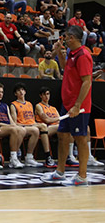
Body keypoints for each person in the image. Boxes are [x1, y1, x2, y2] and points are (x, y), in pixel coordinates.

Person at [42, 25, 93, 186]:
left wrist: (77, 105)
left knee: (80, 138)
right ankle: (60, 172)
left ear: (73, 38)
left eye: (66, 37)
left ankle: (82, 177)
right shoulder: (72, 53)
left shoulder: (83, 55)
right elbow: (66, 69)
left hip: (79, 106)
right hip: (67, 104)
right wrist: (58, 52)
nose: (64, 39)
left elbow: (87, 82)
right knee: (62, 136)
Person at [10, 82, 56, 168]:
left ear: (25, 92)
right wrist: (31, 125)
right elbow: (14, 122)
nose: (21, 92)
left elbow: (32, 120)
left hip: (31, 125)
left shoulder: (29, 104)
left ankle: (30, 157)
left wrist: (36, 124)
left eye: (23, 90)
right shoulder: (13, 105)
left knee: (42, 126)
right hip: (21, 126)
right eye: (19, 90)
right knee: (35, 129)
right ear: (15, 93)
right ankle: (15, 157)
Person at [0, 83, 25, 169]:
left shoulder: (5, 106)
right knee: (14, 129)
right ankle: (13, 158)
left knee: (22, 130)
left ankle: (15, 156)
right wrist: (11, 126)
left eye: (2, 92)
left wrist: (14, 125)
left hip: (8, 127)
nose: (0, 94)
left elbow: (11, 121)